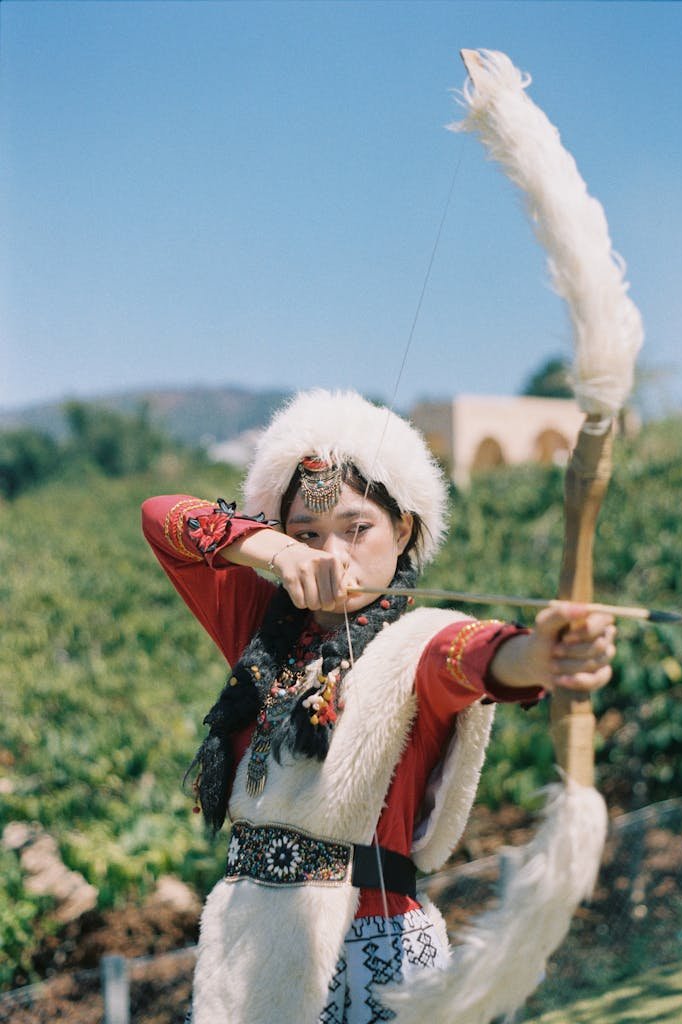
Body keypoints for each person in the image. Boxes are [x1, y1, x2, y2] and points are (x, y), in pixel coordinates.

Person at [141, 390, 616, 1024]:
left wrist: (543, 656)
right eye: (308, 533)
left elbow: (473, 655)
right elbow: (161, 516)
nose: (331, 556)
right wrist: (278, 554)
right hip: (248, 952)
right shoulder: (263, 631)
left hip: (371, 954)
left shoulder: (415, 644)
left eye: (356, 528)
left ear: (405, 529)